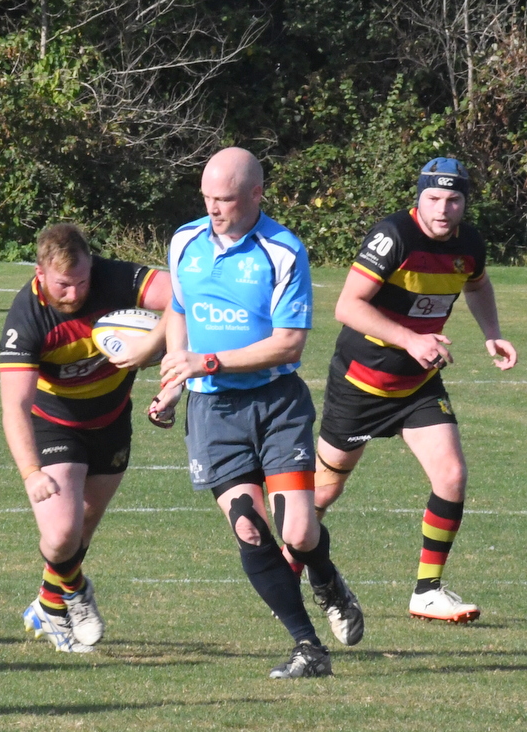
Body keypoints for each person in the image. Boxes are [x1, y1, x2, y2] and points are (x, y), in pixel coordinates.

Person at [152, 147, 363, 679]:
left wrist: (209, 360)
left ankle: (326, 578)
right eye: (206, 197)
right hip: (212, 410)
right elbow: (179, 311)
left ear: (255, 195)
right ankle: (308, 647)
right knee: (248, 527)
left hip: (275, 404)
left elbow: (289, 343)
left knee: (299, 532)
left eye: (224, 199)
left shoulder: (283, 251)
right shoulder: (184, 241)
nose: (213, 208)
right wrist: (176, 381)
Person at [314, 157, 517, 623]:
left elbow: (477, 285)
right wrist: (410, 339)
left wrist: (492, 332)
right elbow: (347, 306)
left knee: (451, 475)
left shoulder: (470, 243)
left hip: (419, 383)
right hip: (362, 383)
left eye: (453, 199)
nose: (443, 209)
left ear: (465, 202)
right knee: (323, 495)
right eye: (434, 198)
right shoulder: (394, 237)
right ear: (419, 198)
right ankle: (285, 569)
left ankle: (427, 592)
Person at [0, 223, 171, 653]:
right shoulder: (27, 318)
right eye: (63, 285)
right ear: (40, 273)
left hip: (112, 419)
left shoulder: (114, 278)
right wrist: (31, 472)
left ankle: (48, 604)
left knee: (85, 524)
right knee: (62, 534)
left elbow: (184, 297)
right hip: (54, 424)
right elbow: (14, 406)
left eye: (81, 281)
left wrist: (155, 349)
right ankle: (74, 595)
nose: (74, 293)